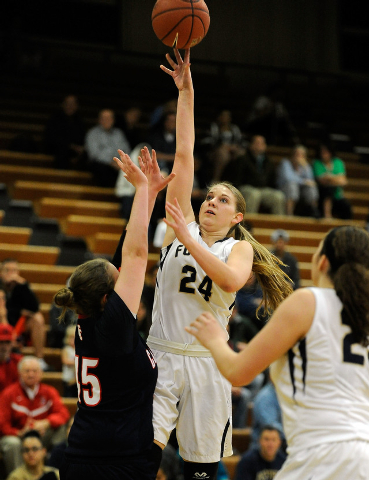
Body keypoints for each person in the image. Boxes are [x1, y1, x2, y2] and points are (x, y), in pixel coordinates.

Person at [146, 49, 292, 480]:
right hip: (161, 354)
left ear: (237, 217)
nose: (210, 201)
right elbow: (186, 155)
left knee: (201, 471)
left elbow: (229, 278)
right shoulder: (179, 225)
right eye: (209, 196)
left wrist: (191, 239)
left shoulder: (236, 249)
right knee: (141, 457)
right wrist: (186, 91)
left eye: (222, 199)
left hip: (208, 363)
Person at [187, 225, 369, 479]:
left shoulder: (308, 301)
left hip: (322, 454)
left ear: (322, 261)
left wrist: (215, 338)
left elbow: (238, 373)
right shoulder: (363, 317)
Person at [53, 147, 174, 480]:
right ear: (109, 299)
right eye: (119, 280)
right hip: (115, 461)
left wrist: (148, 196)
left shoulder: (93, 314)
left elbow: (125, 254)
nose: (126, 278)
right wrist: (141, 189)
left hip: (86, 453)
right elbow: (135, 256)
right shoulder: (115, 328)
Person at [0, 356, 70, 476]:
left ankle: (51, 474)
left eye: (35, 371)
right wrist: (18, 433)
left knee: (61, 429)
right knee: (12, 443)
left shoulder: (49, 391)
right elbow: (2, 423)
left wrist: (47, 422)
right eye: (27, 371)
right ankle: (18, 477)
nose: (31, 374)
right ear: (19, 373)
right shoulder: (9, 393)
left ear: (41, 373)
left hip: (41, 435)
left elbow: (63, 414)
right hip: (19, 436)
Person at [0, 259, 48, 370]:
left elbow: (35, 308)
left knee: (37, 318)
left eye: (14, 270)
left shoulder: (21, 287)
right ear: (1, 273)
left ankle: (39, 359)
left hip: (16, 327)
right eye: (7, 270)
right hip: (2, 325)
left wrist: (24, 285)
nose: (11, 274)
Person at [220, 135, 286, 215]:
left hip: (263, 189)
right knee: (254, 194)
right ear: (251, 145)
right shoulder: (243, 159)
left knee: (279, 196)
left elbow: (272, 181)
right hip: (246, 188)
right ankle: (248, 224)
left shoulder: (269, 162)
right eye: (257, 143)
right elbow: (237, 179)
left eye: (262, 143)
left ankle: (278, 226)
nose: (259, 146)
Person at [85, 108, 131, 187]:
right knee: (102, 169)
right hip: (102, 165)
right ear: (99, 120)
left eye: (109, 118)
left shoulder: (119, 134)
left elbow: (126, 150)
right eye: (104, 118)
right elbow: (94, 154)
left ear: (113, 120)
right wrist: (111, 163)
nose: (107, 120)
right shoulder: (93, 134)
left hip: (118, 166)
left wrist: (119, 163)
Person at [200, 109, 245, 182]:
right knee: (223, 154)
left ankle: (238, 181)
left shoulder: (234, 128)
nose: (226, 118)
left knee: (241, 154)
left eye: (228, 116)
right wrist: (220, 145)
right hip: (214, 151)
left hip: (232, 151)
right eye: (223, 115)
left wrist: (235, 147)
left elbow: (241, 141)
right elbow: (206, 141)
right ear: (219, 117)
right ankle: (216, 179)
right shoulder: (213, 127)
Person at [43, 94, 86, 170]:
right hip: (56, 149)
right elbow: (51, 138)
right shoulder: (54, 119)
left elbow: (81, 139)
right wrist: (70, 145)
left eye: (72, 104)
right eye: (67, 104)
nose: (70, 106)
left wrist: (79, 148)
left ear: (76, 106)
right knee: (62, 151)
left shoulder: (79, 121)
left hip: (74, 151)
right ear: (63, 105)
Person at [312, 142, 352, 219]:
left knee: (346, 206)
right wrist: (336, 178)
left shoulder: (338, 162)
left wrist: (329, 177)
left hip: (337, 195)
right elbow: (321, 180)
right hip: (321, 194)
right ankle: (327, 216)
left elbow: (343, 181)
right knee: (328, 191)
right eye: (322, 152)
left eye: (326, 151)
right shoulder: (317, 163)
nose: (324, 154)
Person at [276, 145, 319, 216]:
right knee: (292, 186)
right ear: (293, 155)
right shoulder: (285, 163)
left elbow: (311, 181)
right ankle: (289, 214)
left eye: (302, 155)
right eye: (297, 154)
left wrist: (305, 167)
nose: (299, 157)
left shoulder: (305, 166)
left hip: (300, 191)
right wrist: (304, 181)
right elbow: (289, 178)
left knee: (311, 188)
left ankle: (313, 212)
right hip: (284, 188)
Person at [249, 380, 284, 450]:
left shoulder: (283, 393)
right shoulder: (265, 397)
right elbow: (271, 427)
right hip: (262, 449)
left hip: (281, 446)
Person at [0, 323, 22, 393]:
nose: (4, 346)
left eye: (7, 342)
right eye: (1, 342)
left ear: (13, 343)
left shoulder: (19, 362)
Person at [61, 325, 77, 398]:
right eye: (72, 337)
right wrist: (76, 362)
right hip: (68, 378)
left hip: (76, 379)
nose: (74, 339)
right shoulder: (66, 349)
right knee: (68, 395)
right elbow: (65, 361)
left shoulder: (79, 351)